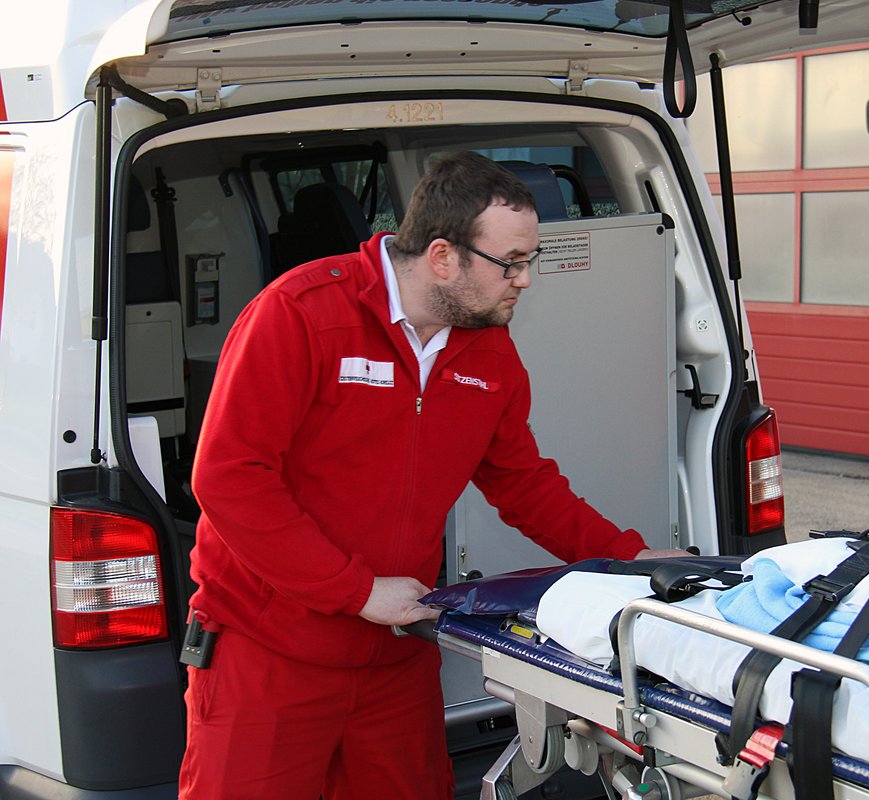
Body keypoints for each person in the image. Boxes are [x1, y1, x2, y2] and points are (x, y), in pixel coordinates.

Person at [177, 151, 677, 799]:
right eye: (513, 263)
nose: (525, 281)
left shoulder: (488, 352)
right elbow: (229, 479)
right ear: (443, 258)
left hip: (392, 653)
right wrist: (355, 590)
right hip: (267, 651)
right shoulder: (300, 315)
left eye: (531, 261)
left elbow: (523, 483)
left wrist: (629, 557)